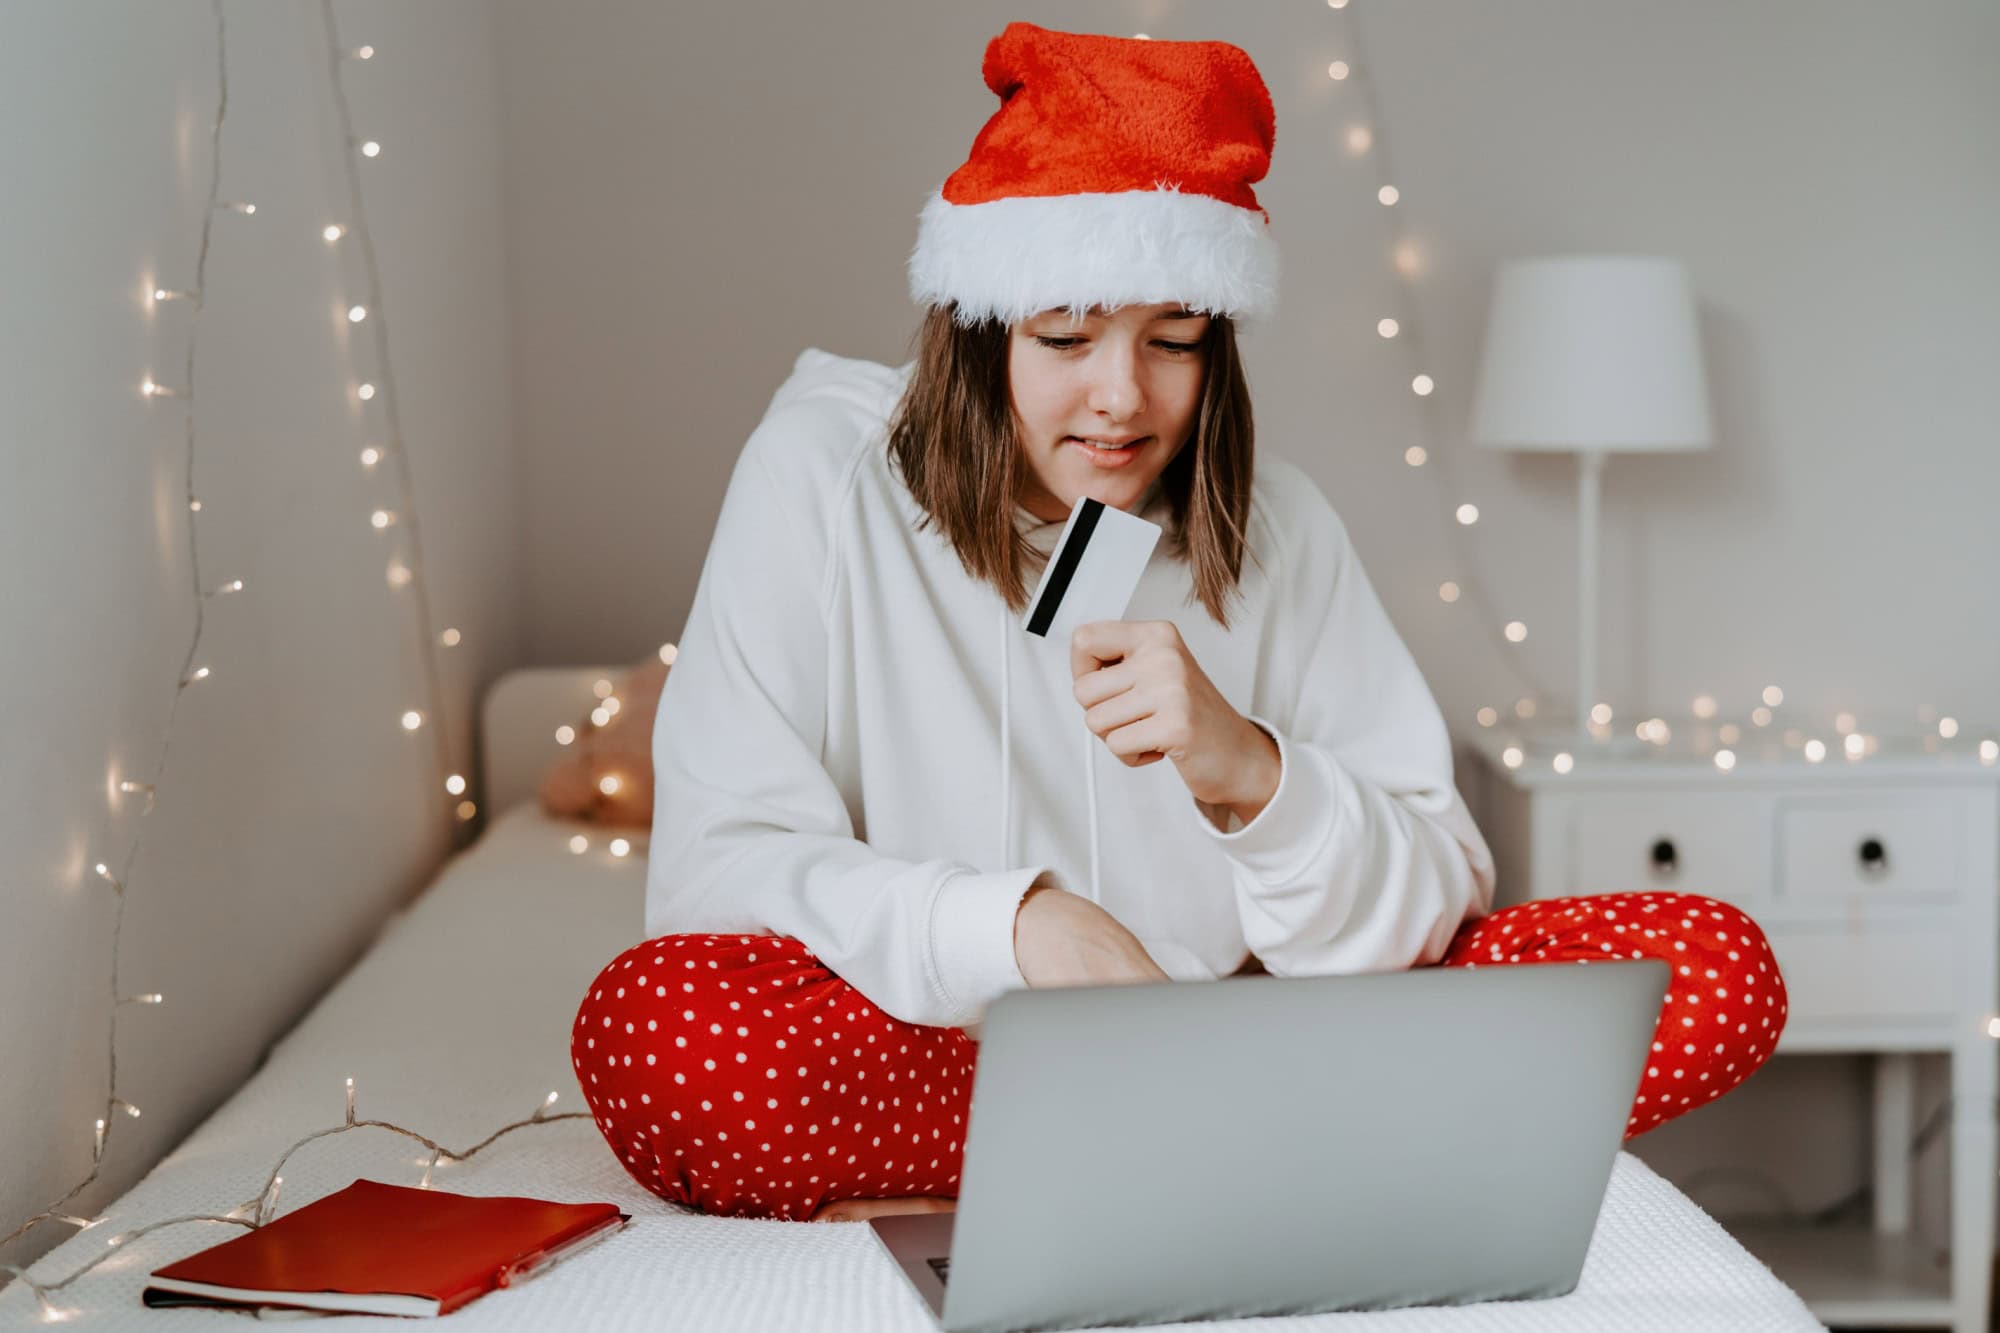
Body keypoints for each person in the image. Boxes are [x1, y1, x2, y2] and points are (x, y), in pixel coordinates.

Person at [571, 21, 1786, 1225]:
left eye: (1173, 341)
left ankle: (1206, 1131)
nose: (1122, 397)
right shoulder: (816, 481)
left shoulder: (1280, 528)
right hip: (958, 1054)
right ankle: (1278, 1148)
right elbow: (715, 880)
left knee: (1712, 969)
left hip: (1256, 1036)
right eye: (1063, 338)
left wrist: (1249, 775)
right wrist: (1021, 926)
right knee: (660, 1032)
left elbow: (1435, 895)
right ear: (978, 331)